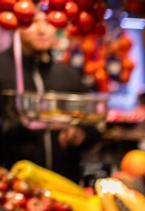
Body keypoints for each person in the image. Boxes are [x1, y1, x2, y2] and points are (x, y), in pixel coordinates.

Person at [0, 11, 102, 182]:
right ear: (17, 25)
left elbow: (95, 128)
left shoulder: (67, 74)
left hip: (65, 188)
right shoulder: (2, 70)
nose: (42, 30)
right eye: (32, 22)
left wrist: (80, 135)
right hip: (11, 189)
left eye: (48, 22)